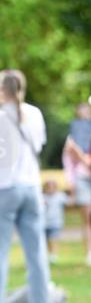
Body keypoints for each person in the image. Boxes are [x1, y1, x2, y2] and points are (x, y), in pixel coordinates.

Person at [0, 69, 50, 303]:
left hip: (3, 188)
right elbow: (38, 147)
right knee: (37, 255)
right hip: (31, 187)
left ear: (0, 90)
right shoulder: (36, 114)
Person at [62, 101, 91, 266]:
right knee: (87, 216)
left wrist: (81, 156)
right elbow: (69, 163)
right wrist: (71, 183)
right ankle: (89, 253)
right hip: (82, 178)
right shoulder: (72, 138)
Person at [42, 178, 70, 263]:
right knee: (46, 240)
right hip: (44, 223)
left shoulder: (60, 196)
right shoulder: (43, 197)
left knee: (53, 238)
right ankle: (48, 255)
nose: (50, 189)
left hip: (56, 222)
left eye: (52, 187)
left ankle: (54, 255)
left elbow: (69, 202)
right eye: (48, 187)